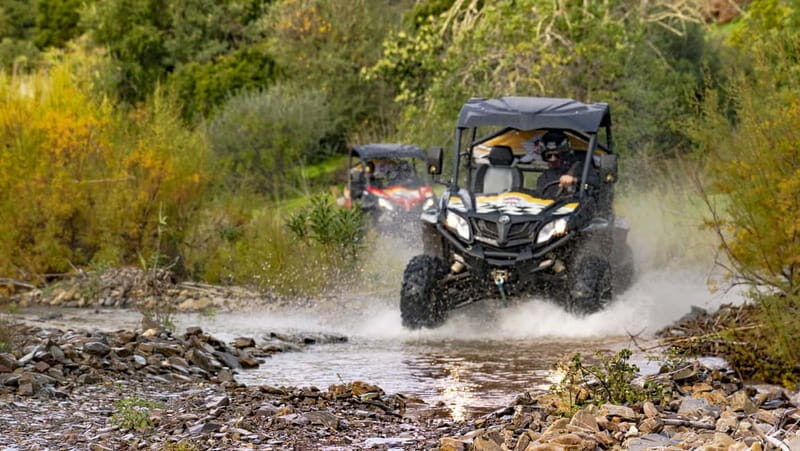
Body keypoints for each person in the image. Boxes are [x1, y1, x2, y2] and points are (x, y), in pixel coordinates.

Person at [536, 131, 582, 198]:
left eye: (557, 155)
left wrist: (575, 180)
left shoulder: (580, 168)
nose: (553, 159)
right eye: (549, 156)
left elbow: (593, 186)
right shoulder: (543, 178)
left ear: (564, 156)